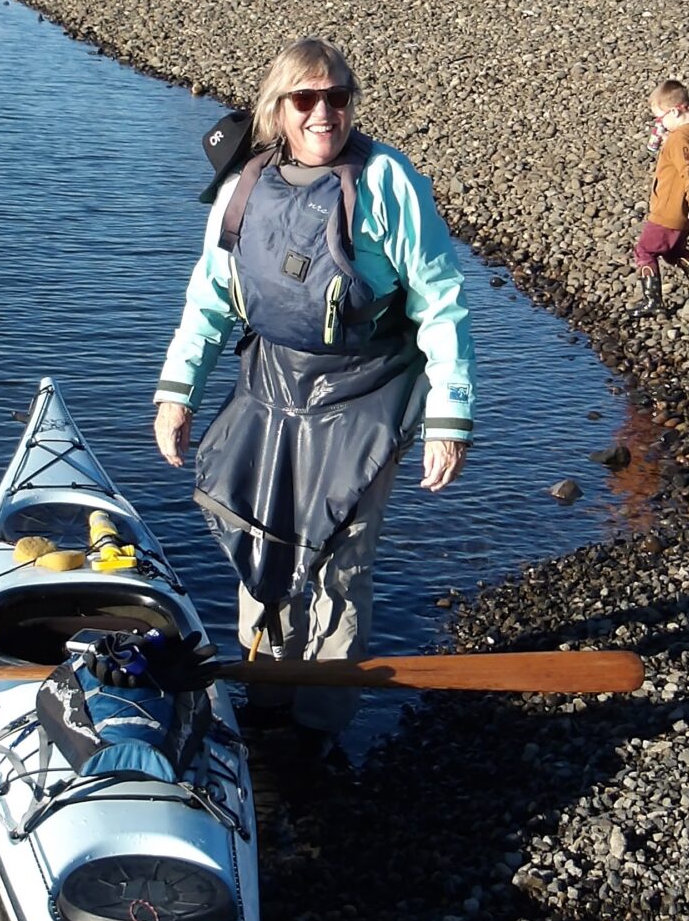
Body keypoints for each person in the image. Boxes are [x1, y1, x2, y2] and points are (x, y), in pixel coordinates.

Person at [153, 38, 473, 735]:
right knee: (258, 545)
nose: (323, 113)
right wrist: (178, 393)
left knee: (339, 566)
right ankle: (264, 703)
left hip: (365, 397)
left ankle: (320, 729)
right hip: (269, 390)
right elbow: (209, 301)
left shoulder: (386, 182)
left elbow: (440, 301)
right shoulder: (242, 188)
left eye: (337, 97)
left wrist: (449, 417)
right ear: (277, 109)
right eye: (306, 98)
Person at [632, 80, 689, 312]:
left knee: (645, 251)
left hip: (669, 210)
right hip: (683, 212)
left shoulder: (680, 139)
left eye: (659, 118)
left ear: (674, 112)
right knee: (673, 251)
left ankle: (653, 301)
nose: (658, 124)